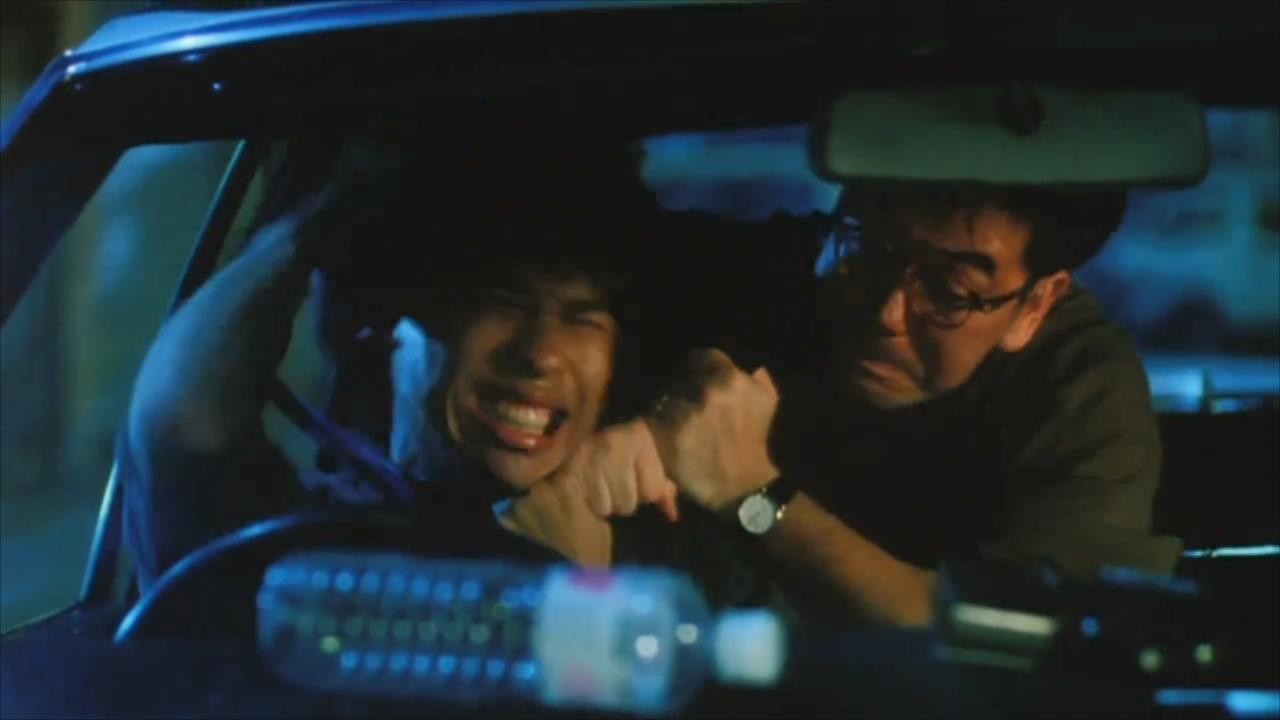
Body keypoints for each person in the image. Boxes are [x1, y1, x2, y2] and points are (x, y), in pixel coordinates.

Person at [596, 183, 1184, 626]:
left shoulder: (1081, 388)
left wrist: (755, 494)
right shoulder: (779, 275)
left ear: (1035, 305)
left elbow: (1028, 638)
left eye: (950, 292)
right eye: (870, 251)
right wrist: (654, 415)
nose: (887, 314)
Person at [120, 142, 677, 590]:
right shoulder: (310, 556)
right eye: (500, 302)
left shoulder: (666, 542)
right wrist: (321, 225)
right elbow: (176, 416)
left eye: (583, 317)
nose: (540, 355)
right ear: (388, 330)